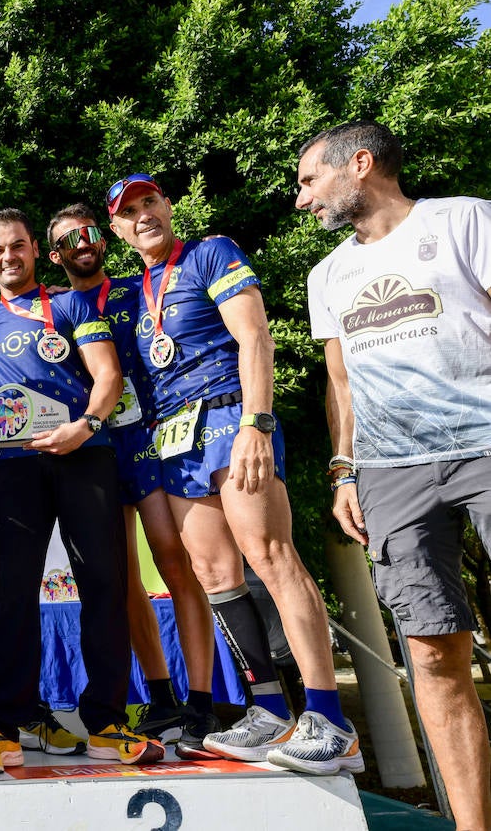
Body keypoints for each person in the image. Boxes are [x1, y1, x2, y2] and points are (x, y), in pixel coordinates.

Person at [107, 171, 362, 775]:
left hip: (227, 414)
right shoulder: (134, 289)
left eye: (150, 202)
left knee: (271, 556)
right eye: (129, 212)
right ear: (117, 229)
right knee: (216, 574)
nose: (143, 215)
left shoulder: (210, 252)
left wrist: (257, 422)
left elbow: (254, 338)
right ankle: (268, 710)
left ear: (167, 206)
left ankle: (329, 717)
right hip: (173, 437)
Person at [300, 120, 491, 822]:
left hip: (487, 446)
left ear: (359, 164)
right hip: (391, 470)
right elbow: (341, 383)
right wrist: (345, 471)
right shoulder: (328, 275)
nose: (302, 199)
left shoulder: (465, 220)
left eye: (309, 180)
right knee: (433, 652)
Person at [0, 208, 162, 774]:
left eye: (17, 246)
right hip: (17, 466)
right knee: (15, 590)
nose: (8, 257)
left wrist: (86, 428)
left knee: (104, 583)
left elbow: (108, 376)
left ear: (33, 251)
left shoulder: (72, 305)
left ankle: (106, 723)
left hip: (85, 456)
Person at [46, 204, 220, 755]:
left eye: (92, 232)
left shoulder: (137, 288)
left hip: (151, 435)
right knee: (119, 579)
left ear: (105, 239)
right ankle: (161, 694)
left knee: (173, 559)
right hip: (94, 446)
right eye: (70, 238)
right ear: (56, 254)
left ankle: (202, 699)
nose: (84, 242)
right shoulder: (55, 309)